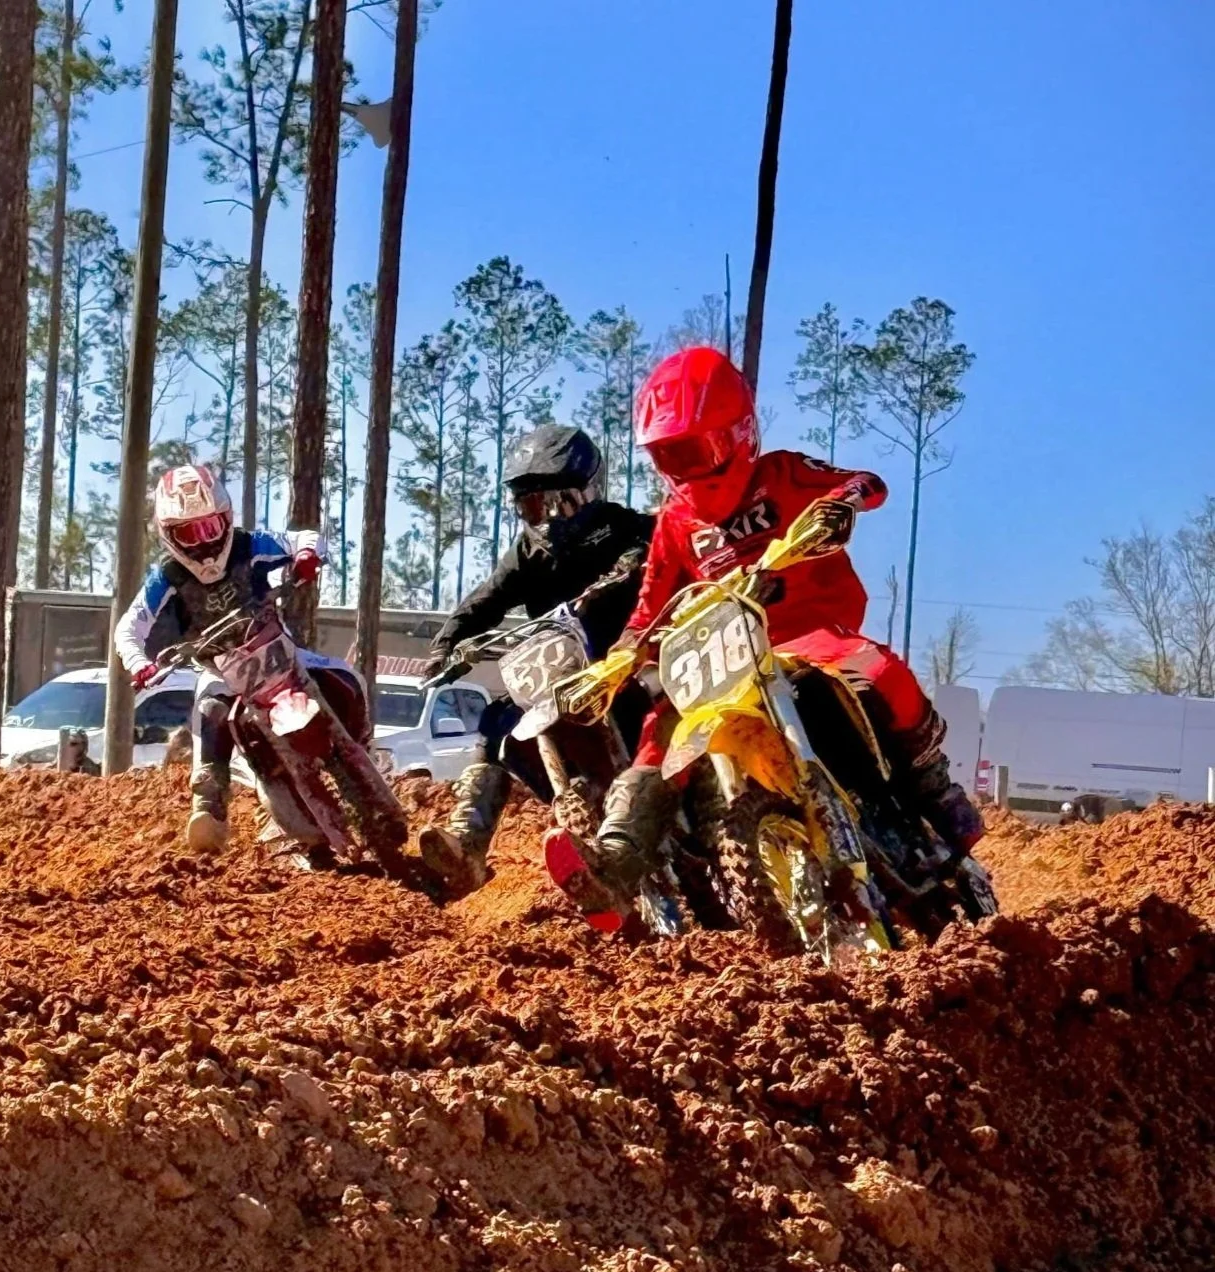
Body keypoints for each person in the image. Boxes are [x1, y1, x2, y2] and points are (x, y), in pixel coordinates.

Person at [544, 345, 984, 925]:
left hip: (808, 633)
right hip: (724, 653)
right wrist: (621, 657)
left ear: (739, 433)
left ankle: (934, 788)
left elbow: (865, 481)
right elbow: (649, 603)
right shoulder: (675, 521)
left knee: (880, 670)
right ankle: (617, 860)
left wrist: (840, 506)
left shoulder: (782, 475)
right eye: (670, 456)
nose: (686, 468)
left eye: (696, 449)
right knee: (660, 728)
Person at [416, 424, 655, 893]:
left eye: (553, 502)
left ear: (586, 492)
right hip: (558, 676)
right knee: (497, 721)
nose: (543, 516)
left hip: (627, 665)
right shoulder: (529, 550)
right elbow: (485, 600)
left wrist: (635, 563)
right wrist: (447, 646)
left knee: (664, 711)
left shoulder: (630, 529)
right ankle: (468, 842)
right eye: (530, 505)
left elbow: (667, 557)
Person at [113, 463, 327, 854]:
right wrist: (138, 663)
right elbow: (129, 627)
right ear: (168, 535)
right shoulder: (168, 577)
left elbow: (303, 537)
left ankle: (364, 748)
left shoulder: (250, 545)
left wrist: (307, 554)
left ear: (226, 520)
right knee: (209, 710)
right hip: (220, 668)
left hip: (281, 651)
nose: (204, 544)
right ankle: (208, 806)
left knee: (344, 676)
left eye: (210, 528)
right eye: (188, 533)